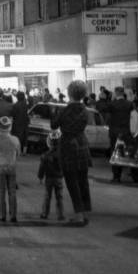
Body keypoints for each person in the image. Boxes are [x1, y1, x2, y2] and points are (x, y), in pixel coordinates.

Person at [52, 81, 92, 226]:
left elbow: (54, 125)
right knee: (83, 181)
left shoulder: (65, 110)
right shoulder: (85, 110)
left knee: (72, 182)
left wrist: (54, 113)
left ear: (69, 93)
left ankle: (79, 215)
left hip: (68, 146)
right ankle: (85, 211)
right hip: (82, 144)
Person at [0, 116, 20, 223]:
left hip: (0, 166)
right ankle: (13, 215)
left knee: (1, 192)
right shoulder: (15, 140)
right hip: (11, 166)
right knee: (12, 192)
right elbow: (18, 154)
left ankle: (2, 215)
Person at [37, 131, 65, 221]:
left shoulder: (45, 155)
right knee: (59, 197)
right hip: (59, 178)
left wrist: (40, 177)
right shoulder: (61, 155)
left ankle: (45, 213)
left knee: (47, 196)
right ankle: (60, 214)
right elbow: (64, 166)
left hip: (49, 178)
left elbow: (42, 168)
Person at [108, 86, 133, 183]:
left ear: (116, 93)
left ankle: (116, 176)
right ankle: (121, 173)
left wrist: (111, 99)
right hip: (125, 132)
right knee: (122, 153)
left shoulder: (112, 104)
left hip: (114, 132)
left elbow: (103, 108)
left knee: (114, 153)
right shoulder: (129, 104)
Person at [11, 91, 30, 155]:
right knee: (25, 137)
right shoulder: (26, 105)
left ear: (17, 97)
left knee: (17, 137)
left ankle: (18, 151)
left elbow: (13, 114)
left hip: (17, 123)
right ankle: (24, 151)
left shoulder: (15, 105)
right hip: (25, 122)